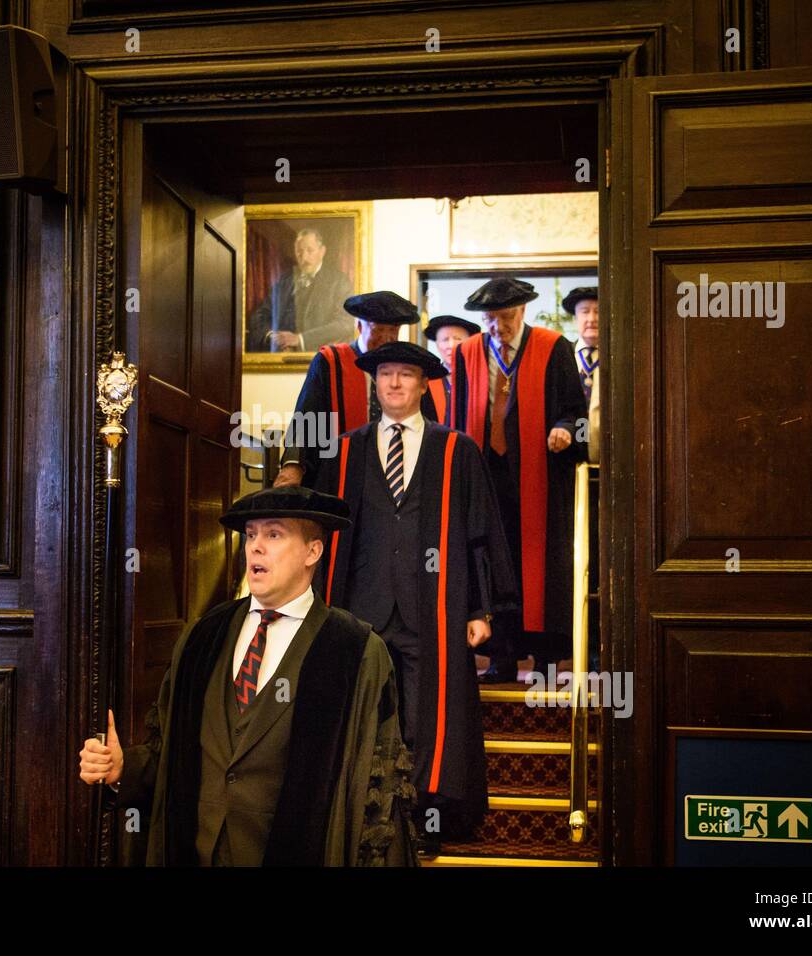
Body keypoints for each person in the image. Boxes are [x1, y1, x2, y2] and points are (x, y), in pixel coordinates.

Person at [78, 485, 418, 866]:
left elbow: (378, 793)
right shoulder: (203, 637)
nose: (255, 547)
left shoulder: (354, 650)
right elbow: (171, 757)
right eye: (252, 534)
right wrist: (124, 768)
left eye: (273, 534)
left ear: (313, 551)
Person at [315, 341, 518, 845]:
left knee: (426, 715)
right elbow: (325, 537)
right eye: (385, 374)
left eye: (406, 374)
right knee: (367, 709)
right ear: (375, 382)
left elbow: (479, 533)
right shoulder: (346, 451)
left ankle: (422, 817)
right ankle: (364, 813)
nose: (395, 383)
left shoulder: (456, 450)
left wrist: (480, 609)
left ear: (424, 384)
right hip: (362, 606)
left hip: (434, 605)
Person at [452, 277, 588, 677]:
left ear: (523, 311)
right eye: (490, 319)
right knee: (490, 564)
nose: (499, 327)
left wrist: (564, 428)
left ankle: (544, 658)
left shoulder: (553, 348)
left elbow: (576, 412)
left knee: (541, 566)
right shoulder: (466, 354)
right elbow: (456, 418)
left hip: (538, 478)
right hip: (485, 478)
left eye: (506, 317)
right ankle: (501, 656)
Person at [276, 290, 437, 488]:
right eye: (378, 330)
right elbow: (307, 418)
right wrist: (293, 466)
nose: (386, 339)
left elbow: (428, 420)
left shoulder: (409, 367)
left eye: (393, 331)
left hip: (398, 474)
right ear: (360, 326)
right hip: (339, 474)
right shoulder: (331, 362)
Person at [246, 228, 354, 352]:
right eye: (299, 252)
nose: (304, 257)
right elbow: (259, 316)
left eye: (310, 250)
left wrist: (300, 339)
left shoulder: (339, 282)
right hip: (280, 357)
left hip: (318, 357)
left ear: (322, 251)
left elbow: (346, 323)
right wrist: (272, 337)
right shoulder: (284, 281)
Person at [423, 314, 480, 428]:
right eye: (445, 339)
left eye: (458, 339)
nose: (451, 345)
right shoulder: (426, 379)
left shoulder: (480, 378)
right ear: (437, 344)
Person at [564, 286, 600, 464]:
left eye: (598, 312)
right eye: (585, 312)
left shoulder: (619, 358)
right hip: (569, 457)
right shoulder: (563, 356)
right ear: (575, 318)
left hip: (609, 454)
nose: (592, 319)